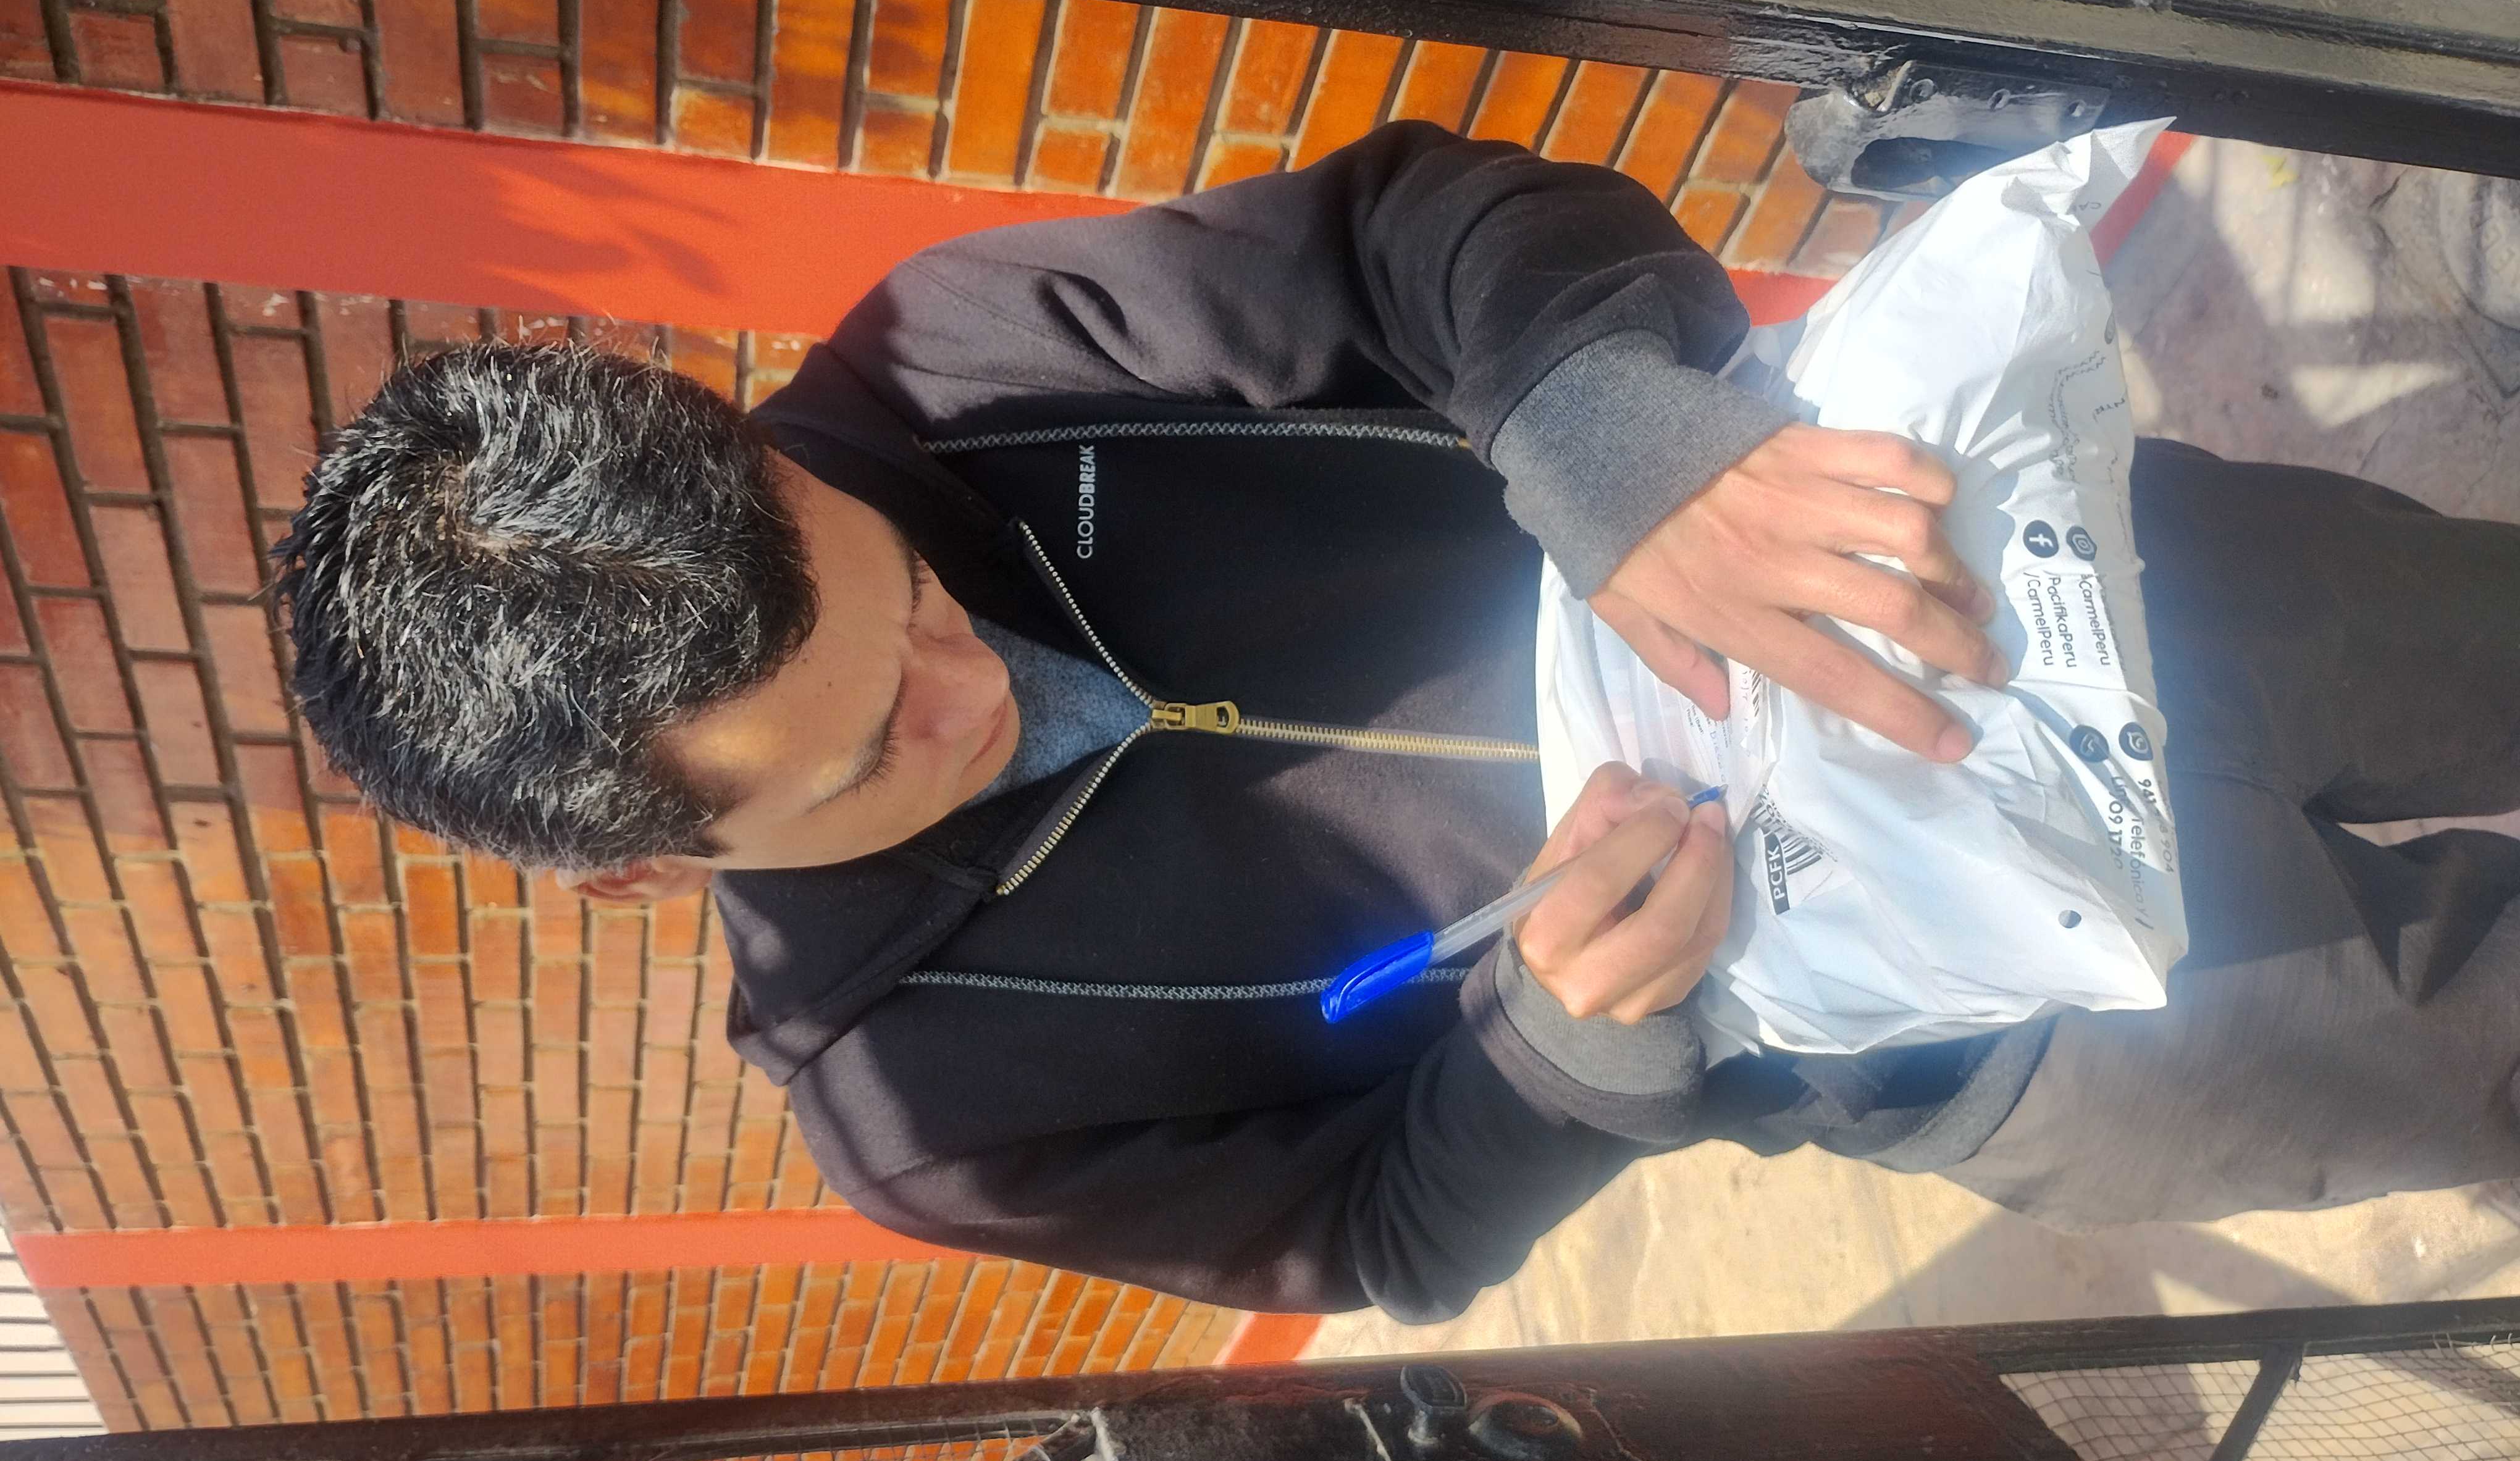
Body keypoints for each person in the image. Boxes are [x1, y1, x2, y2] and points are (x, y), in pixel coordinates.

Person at [272, 124, 2520, 1321]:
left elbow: (1411, 227)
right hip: (1997, 1026)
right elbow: (1377, 1240)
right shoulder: (925, 1113)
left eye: (913, 594)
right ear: (640, 875)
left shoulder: (952, 367)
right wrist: (1570, 1052)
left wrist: (1614, 441)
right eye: (866, 760)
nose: (973, 686)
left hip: (2034, 594)